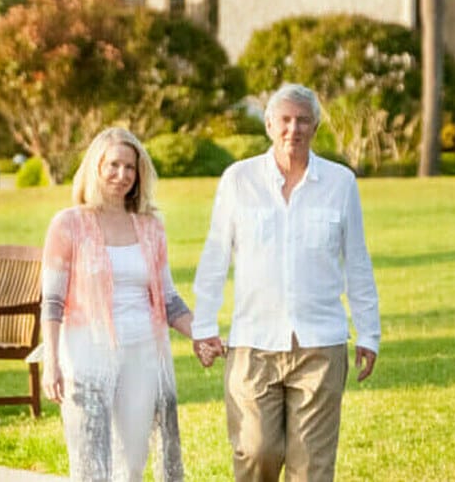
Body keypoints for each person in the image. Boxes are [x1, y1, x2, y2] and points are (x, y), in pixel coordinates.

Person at [192, 83, 381, 482]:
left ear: (315, 126)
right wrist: (204, 326)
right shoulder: (238, 180)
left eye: (303, 120)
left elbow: (357, 263)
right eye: (285, 120)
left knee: (312, 466)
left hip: (320, 345)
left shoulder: (341, 183)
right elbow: (215, 256)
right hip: (252, 345)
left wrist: (369, 332)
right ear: (268, 125)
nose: (293, 129)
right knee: (256, 450)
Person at [41, 127, 192, 481]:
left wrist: (203, 334)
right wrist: (51, 363)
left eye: (130, 168)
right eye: (113, 165)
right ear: (95, 167)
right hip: (86, 355)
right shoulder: (69, 225)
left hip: (143, 352)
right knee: (91, 462)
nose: (122, 175)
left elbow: (169, 298)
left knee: (133, 463)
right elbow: (52, 301)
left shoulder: (151, 226)